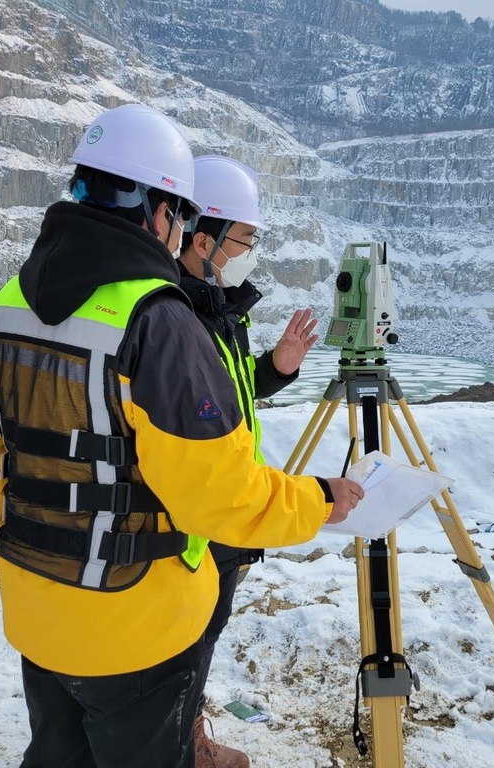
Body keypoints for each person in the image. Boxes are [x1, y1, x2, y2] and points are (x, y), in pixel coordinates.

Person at [0, 103, 364, 768]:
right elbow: (216, 497)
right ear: (161, 212)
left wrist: (46, 546)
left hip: (35, 608)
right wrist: (317, 500)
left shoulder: (3, 309)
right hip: (136, 627)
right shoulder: (156, 322)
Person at [177, 154, 317, 768]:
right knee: (187, 639)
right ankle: (181, 746)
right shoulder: (173, 315)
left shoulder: (219, 305)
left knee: (203, 637)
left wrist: (276, 369)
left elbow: (224, 396)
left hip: (222, 513)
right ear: (202, 239)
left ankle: (186, 733)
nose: (250, 253)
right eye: (245, 240)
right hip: (197, 517)